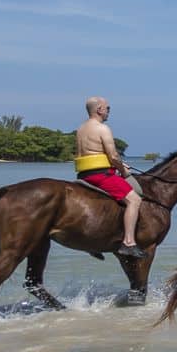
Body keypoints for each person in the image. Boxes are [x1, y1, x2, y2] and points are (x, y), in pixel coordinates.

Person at [75, 96, 144, 259]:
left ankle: (93, 241)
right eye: (108, 108)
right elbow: (113, 156)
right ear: (99, 109)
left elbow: (93, 153)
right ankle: (128, 242)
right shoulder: (102, 128)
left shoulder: (81, 129)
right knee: (134, 200)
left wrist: (117, 165)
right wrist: (123, 171)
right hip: (101, 175)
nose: (108, 112)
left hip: (84, 175)